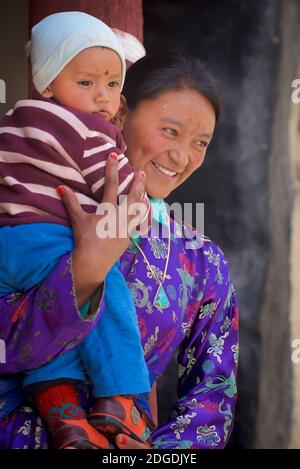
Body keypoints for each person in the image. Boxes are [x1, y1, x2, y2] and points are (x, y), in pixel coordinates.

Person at [0, 51, 239, 449]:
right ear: (121, 113)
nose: (182, 157)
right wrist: (85, 273)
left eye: (201, 142)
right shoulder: (25, 211)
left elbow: (214, 394)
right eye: (170, 131)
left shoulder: (201, 260)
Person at [0, 11, 153, 449]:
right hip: (49, 238)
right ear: (48, 83)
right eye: (86, 83)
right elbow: (123, 194)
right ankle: (120, 396)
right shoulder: (90, 131)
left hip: (9, 245)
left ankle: (64, 413)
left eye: (111, 83)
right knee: (109, 295)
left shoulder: (12, 123)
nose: (103, 97)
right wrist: (138, 214)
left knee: (56, 315)